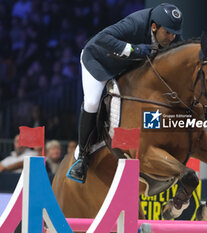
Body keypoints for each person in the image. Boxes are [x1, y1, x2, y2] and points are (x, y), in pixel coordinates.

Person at [67, 3, 183, 183]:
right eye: (167, 32)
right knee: (91, 103)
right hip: (98, 62)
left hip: (125, 67)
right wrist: (136, 50)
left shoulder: (170, 36)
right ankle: (82, 158)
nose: (172, 36)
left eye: (174, 33)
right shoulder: (135, 23)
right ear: (154, 27)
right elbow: (102, 39)